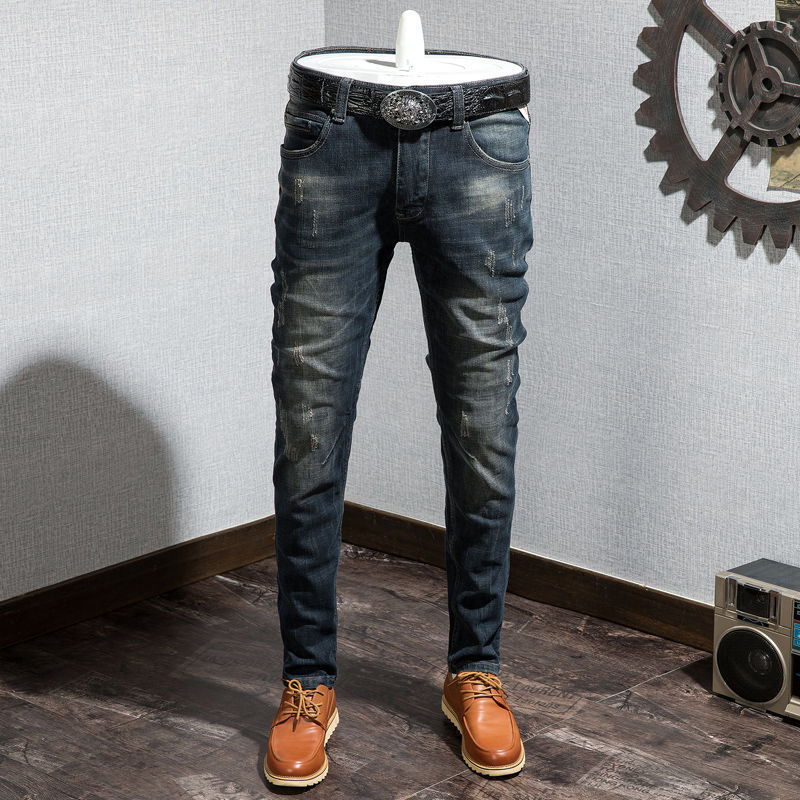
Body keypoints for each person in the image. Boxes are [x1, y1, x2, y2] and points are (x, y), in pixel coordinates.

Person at [264, 26, 533, 787]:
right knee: (309, 425)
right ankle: (307, 680)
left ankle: (476, 669)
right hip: (334, 136)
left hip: (480, 138)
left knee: (483, 427)